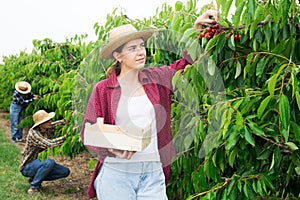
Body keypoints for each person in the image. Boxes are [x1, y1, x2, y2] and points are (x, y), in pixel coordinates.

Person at [81, 10, 218, 200]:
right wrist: (111, 147)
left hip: (152, 172)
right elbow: (88, 130)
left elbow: (186, 63)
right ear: (117, 56)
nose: (140, 52)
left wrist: (196, 30)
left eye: (141, 46)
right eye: (132, 49)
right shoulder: (103, 89)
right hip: (118, 173)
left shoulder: (157, 79)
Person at [19, 110, 70, 195]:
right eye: (47, 121)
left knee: (65, 171)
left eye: (50, 119)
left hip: (38, 162)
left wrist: (71, 117)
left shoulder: (46, 127)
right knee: (49, 162)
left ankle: (35, 178)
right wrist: (66, 136)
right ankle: (34, 187)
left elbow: (60, 123)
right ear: (41, 124)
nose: (51, 122)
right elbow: (49, 144)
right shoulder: (34, 133)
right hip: (28, 166)